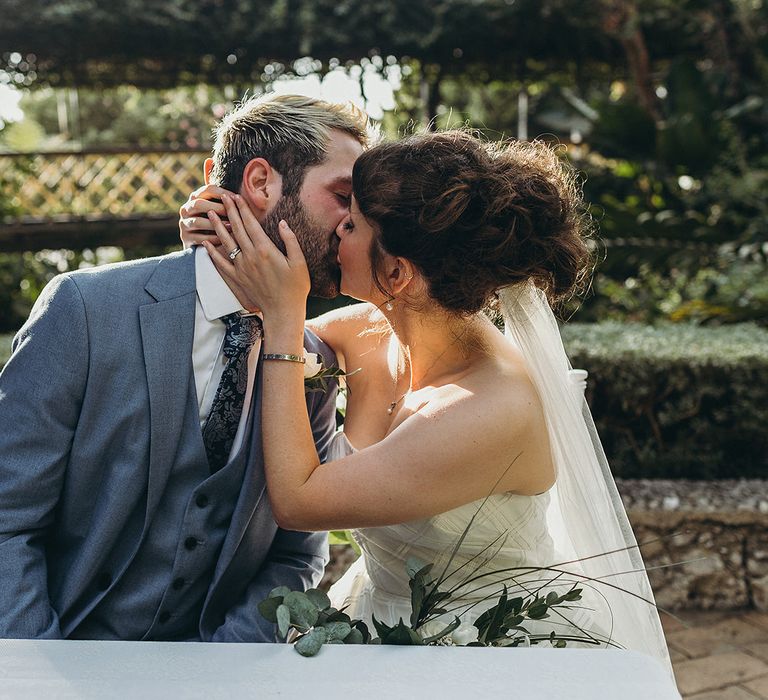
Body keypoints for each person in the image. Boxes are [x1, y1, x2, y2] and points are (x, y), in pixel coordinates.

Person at [180, 129, 671, 667]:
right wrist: (217, 233)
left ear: (396, 273)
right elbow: (256, 322)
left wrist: (282, 318)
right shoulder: (372, 329)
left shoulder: (491, 409)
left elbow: (300, 501)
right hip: (375, 617)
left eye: (352, 222)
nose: (334, 229)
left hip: (483, 651)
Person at [0, 93, 368, 641]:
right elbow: (8, 520)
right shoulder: (85, 310)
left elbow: (296, 553)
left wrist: (224, 665)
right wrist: (44, 671)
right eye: (342, 197)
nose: (353, 223)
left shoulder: (314, 358)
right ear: (262, 183)